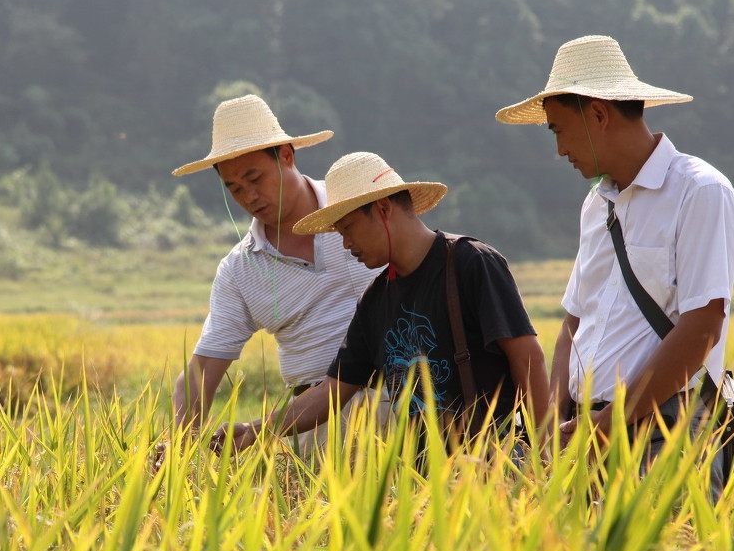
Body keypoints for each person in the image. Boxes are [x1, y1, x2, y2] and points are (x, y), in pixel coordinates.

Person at [496, 34, 734, 494]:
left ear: (597, 115)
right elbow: (574, 322)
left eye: (557, 129)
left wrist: (608, 425)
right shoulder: (597, 206)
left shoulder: (700, 192)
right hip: (587, 433)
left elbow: (703, 326)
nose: (559, 150)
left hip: (665, 433)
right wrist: (555, 418)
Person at [217, 151, 549, 454]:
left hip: (494, 461)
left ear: (383, 208)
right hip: (421, 478)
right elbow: (331, 392)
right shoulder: (377, 299)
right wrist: (256, 430)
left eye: (347, 228)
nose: (345, 243)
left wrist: (545, 449)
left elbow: (526, 356)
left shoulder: (470, 263)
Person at [170, 95, 379, 444]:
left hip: (410, 404)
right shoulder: (240, 270)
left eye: (256, 178)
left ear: (286, 155)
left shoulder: (358, 208)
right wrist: (179, 448)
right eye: (235, 188)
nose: (250, 196)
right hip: (315, 427)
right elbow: (201, 371)